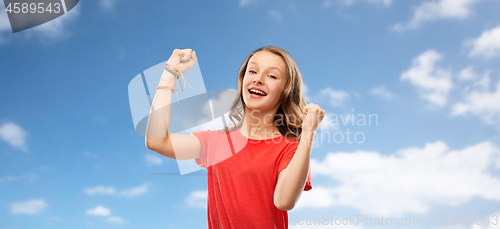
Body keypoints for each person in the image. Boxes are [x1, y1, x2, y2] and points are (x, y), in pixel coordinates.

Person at [145, 46, 326, 229]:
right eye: (253, 71)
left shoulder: (291, 149)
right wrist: (169, 74)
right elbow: (156, 141)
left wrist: (308, 133)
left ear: (286, 90)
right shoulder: (214, 142)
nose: (258, 79)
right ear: (242, 80)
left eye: (272, 76)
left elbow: (284, 201)